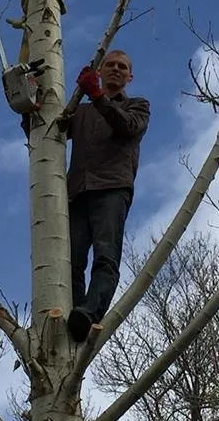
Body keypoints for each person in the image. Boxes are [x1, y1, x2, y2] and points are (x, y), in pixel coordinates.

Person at [23, 50, 150, 341]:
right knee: (72, 260)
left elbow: (127, 127)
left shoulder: (137, 105)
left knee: (106, 255)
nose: (116, 70)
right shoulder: (80, 112)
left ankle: (90, 312)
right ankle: (75, 313)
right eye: (111, 65)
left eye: (123, 67)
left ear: (130, 76)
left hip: (112, 187)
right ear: (101, 71)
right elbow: (44, 133)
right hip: (78, 191)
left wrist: (96, 96)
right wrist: (30, 111)